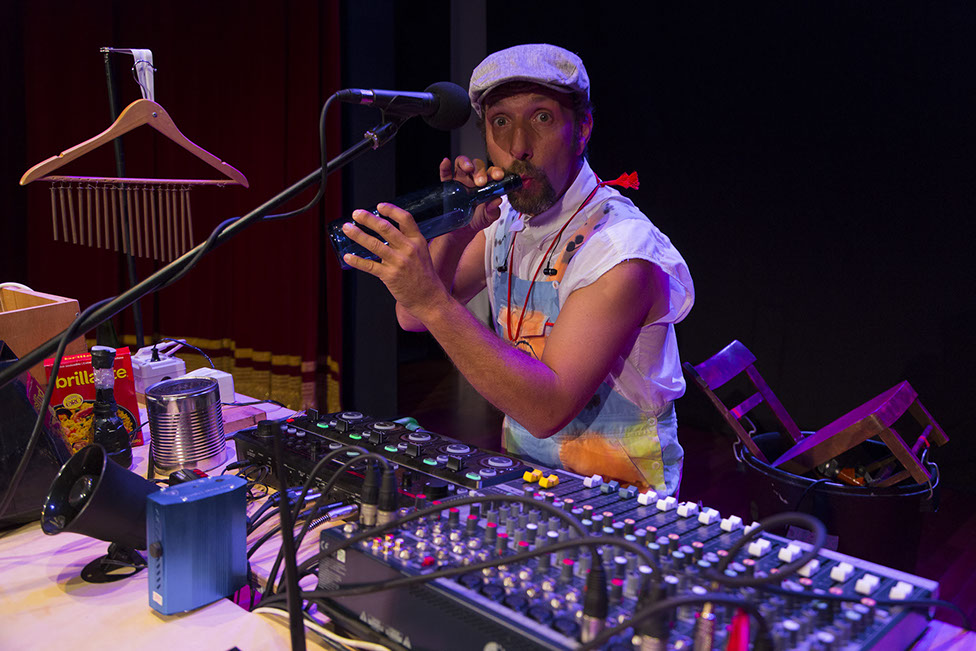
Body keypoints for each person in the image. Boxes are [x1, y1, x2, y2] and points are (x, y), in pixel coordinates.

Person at [339, 44, 694, 494]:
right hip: (528, 480)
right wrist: (459, 229)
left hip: (623, 499)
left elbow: (547, 410)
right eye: (501, 122)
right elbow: (413, 316)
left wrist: (430, 300)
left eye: (541, 118)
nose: (518, 147)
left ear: (582, 128)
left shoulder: (621, 250)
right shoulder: (507, 217)